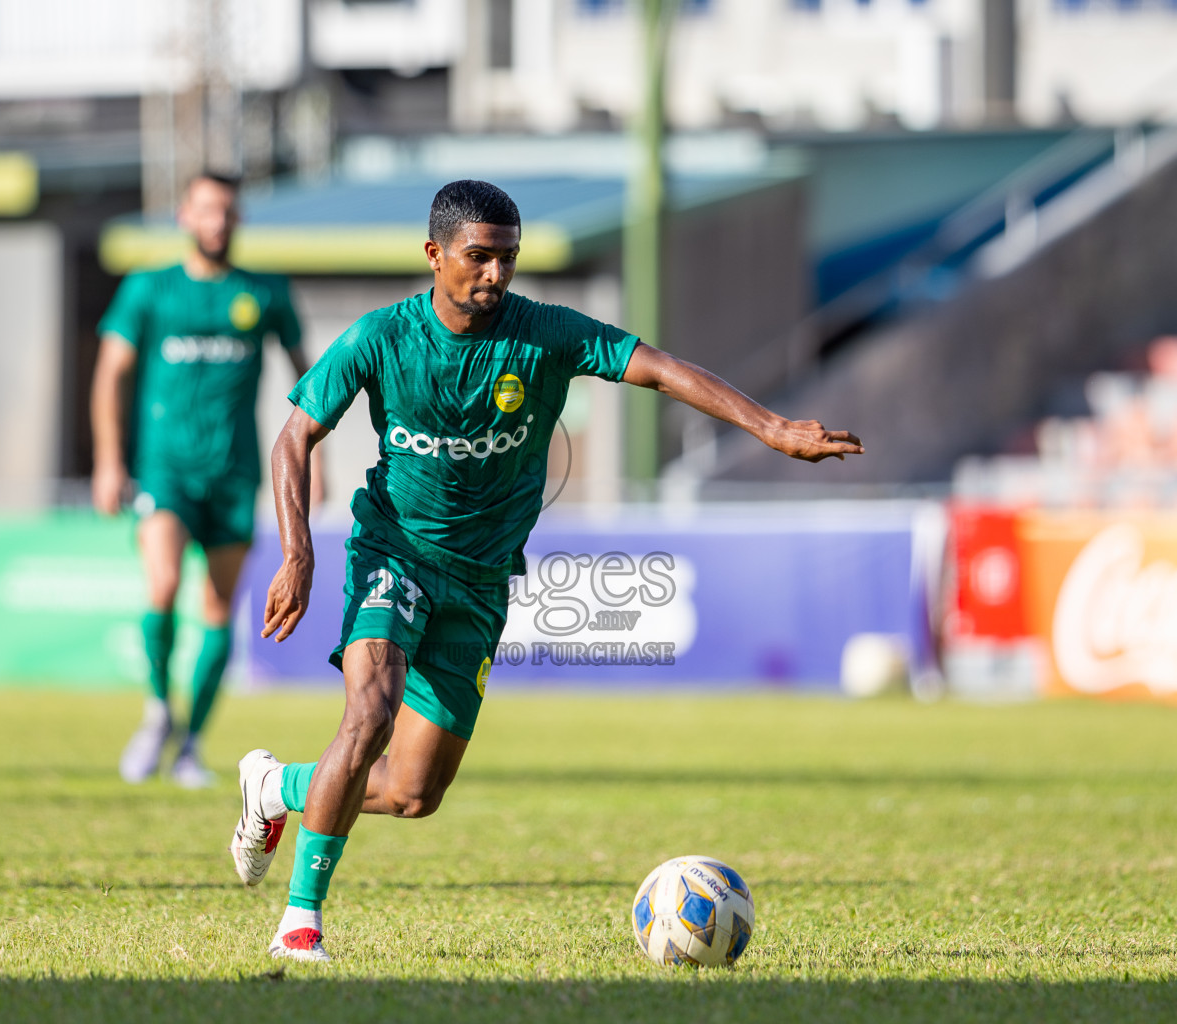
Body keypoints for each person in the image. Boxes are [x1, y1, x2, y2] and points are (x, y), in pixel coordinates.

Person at [227, 179, 864, 961]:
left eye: (508, 258)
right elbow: (293, 438)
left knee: (410, 792)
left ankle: (274, 787)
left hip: (483, 581)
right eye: (478, 257)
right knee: (369, 715)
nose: (495, 275)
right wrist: (299, 552)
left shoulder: (548, 333)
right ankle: (300, 922)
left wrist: (771, 427)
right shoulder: (380, 338)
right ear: (434, 255)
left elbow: (657, 368)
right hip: (393, 554)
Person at [92, 170, 316, 788]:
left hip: (236, 471)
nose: (218, 221)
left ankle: (191, 745)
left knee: (217, 609)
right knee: (162, 586)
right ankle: (159, 708)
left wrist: (313, 463)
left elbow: (312, 381)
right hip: (164, 468)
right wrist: (109, 460)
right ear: (185, 216)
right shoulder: (148, 290)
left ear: (237, 220)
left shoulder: (263, 292)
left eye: (228, 211)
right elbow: (111, 372)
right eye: (207, 210)